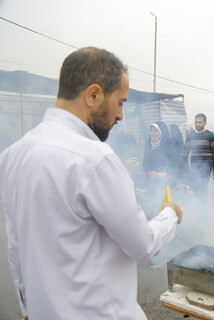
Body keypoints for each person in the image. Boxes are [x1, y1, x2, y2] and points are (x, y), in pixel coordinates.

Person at [0, 47, 183, 320]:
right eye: (120, 102)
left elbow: (15, 244)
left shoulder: (13, 154)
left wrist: (27, 308)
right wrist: (170, 214)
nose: (121, 116)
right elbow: (142, 244)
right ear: (94, 94)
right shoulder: (95, 158)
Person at [180, 113, 214, 203]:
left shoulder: (210, 135)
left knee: (202, 189)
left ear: (205, 123)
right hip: (194, 167)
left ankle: (203, 211)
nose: (197, 124)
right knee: (195, 188)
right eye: (196, 122)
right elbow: (185, 152)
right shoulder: (191, 135)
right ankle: (198, 207)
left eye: (200, 122)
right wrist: (180, 165)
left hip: (207, 168)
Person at [142, 122, 171, 219]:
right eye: (151, 131)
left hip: (165, 187)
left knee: (164, 214)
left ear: (162, 133)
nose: (153, 133)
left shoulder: (169, 148)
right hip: (150, 186)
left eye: (156, 131)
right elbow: (145, 164)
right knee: (151, 211)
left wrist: (159, 175)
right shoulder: (149, 146)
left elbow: (176, 170)